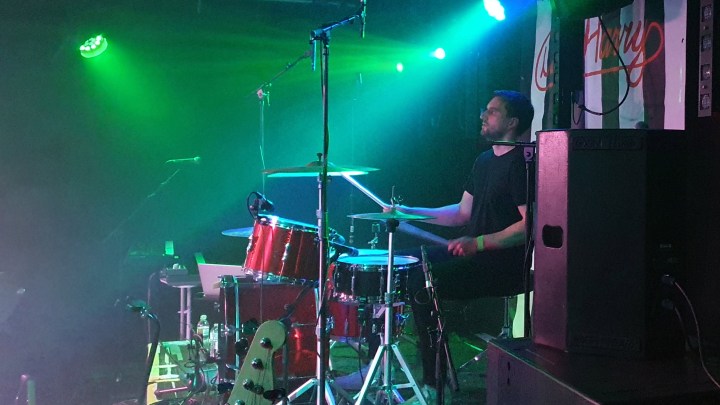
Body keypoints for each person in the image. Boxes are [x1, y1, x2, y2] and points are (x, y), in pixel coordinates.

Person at [393, 90, 534, 399]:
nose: (483, 115)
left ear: (512, 122)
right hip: (473, 254)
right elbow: (461, 213)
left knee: (421, 282)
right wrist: (408, 212)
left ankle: (434, 384)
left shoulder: (521, 164)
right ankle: (383, 365)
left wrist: (479, 242)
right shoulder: (484, 161)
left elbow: (529, 225)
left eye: (492, 111)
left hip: (501, 265)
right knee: (397, 263)